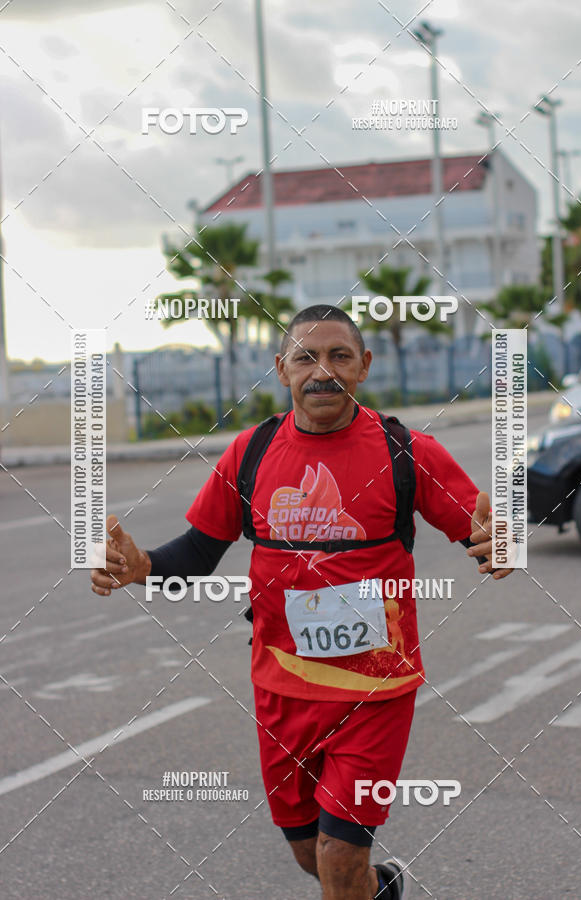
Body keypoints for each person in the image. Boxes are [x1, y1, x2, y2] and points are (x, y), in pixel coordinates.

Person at [91, 304, 513, 899]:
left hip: (375, 689)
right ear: (280, 368)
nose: (323, 371)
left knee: (339, 857)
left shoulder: (407, 451)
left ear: (363, 366)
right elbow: (195, 555)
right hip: (281, 689)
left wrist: (502, 543)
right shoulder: (251, 453)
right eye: (305, 357)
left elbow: (484, 528)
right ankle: (382, 890)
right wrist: (140, 568)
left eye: (339, 355)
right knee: (312, 857)